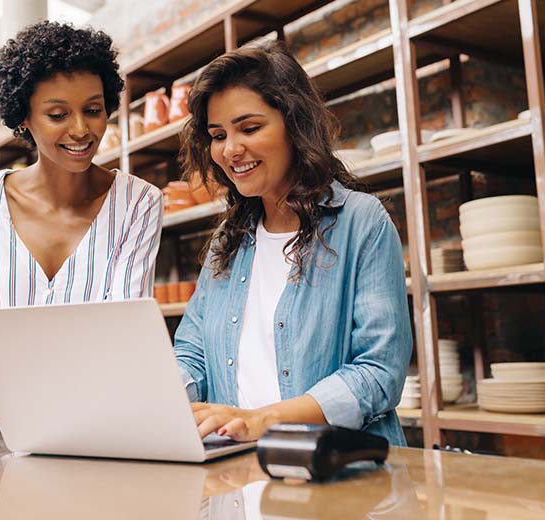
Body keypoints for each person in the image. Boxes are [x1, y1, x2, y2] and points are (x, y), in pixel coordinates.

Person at [0, 21, 163, 432]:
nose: (81, 129)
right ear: (24, 117)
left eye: (93, 110)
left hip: (97, 408)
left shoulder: (138, 202)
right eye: (58, 114)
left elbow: (125, 327)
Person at [174, 42, 412, 445]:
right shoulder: (226, 243)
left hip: (337, 475)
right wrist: (154, 399)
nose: (231, 150)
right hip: (240, 472)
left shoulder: (361, 222)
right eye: (218, 135)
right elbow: (193, 354)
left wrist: (262, 420)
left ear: (295, 125)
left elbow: (377, 373)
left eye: (249, 128)